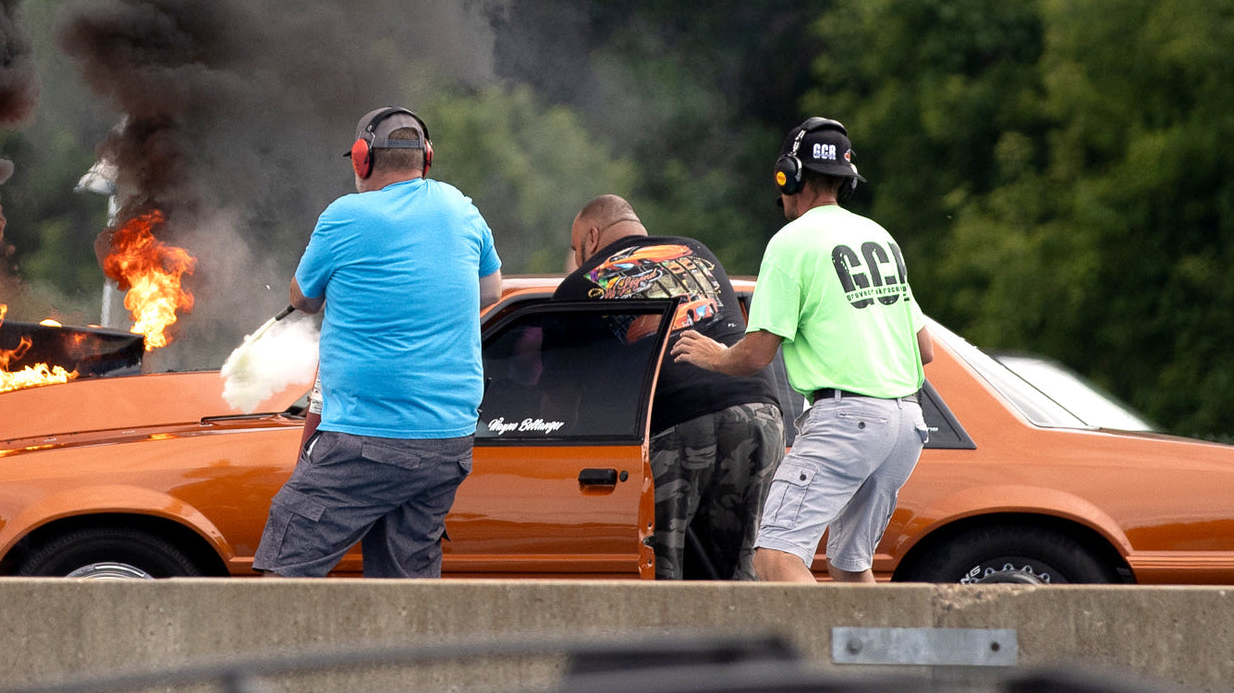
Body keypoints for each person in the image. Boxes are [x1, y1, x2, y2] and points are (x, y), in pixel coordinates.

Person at [671, 117, 933, 583]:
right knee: (852, 568)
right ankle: (873, 658)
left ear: (789, 176)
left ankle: (815, 659)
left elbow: (755, 355)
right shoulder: (880, 238)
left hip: (846, 420)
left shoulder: (790, 243)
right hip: (905, 425)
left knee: (774, 558)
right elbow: (924, 350)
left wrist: (714, 356)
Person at [253, 107, 503, 578]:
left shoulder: (346, 216)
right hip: (448, 440)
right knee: (401, 584)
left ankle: (275, 655)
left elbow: (303, 299)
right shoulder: (462, 207)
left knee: (285, 568)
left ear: (362, 159)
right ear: (426, 159)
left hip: (368, 440)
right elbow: (490, 291)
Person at [556, 195, 785, 580]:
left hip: (678, 423)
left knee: (663, 576)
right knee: (742, 570)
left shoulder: (583, 283)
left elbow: (565, 380)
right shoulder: (693, 249)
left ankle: (670, 641)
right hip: (760, 412)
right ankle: (743, 639)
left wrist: (580, 270)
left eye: (578, 249)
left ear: (591, 238)